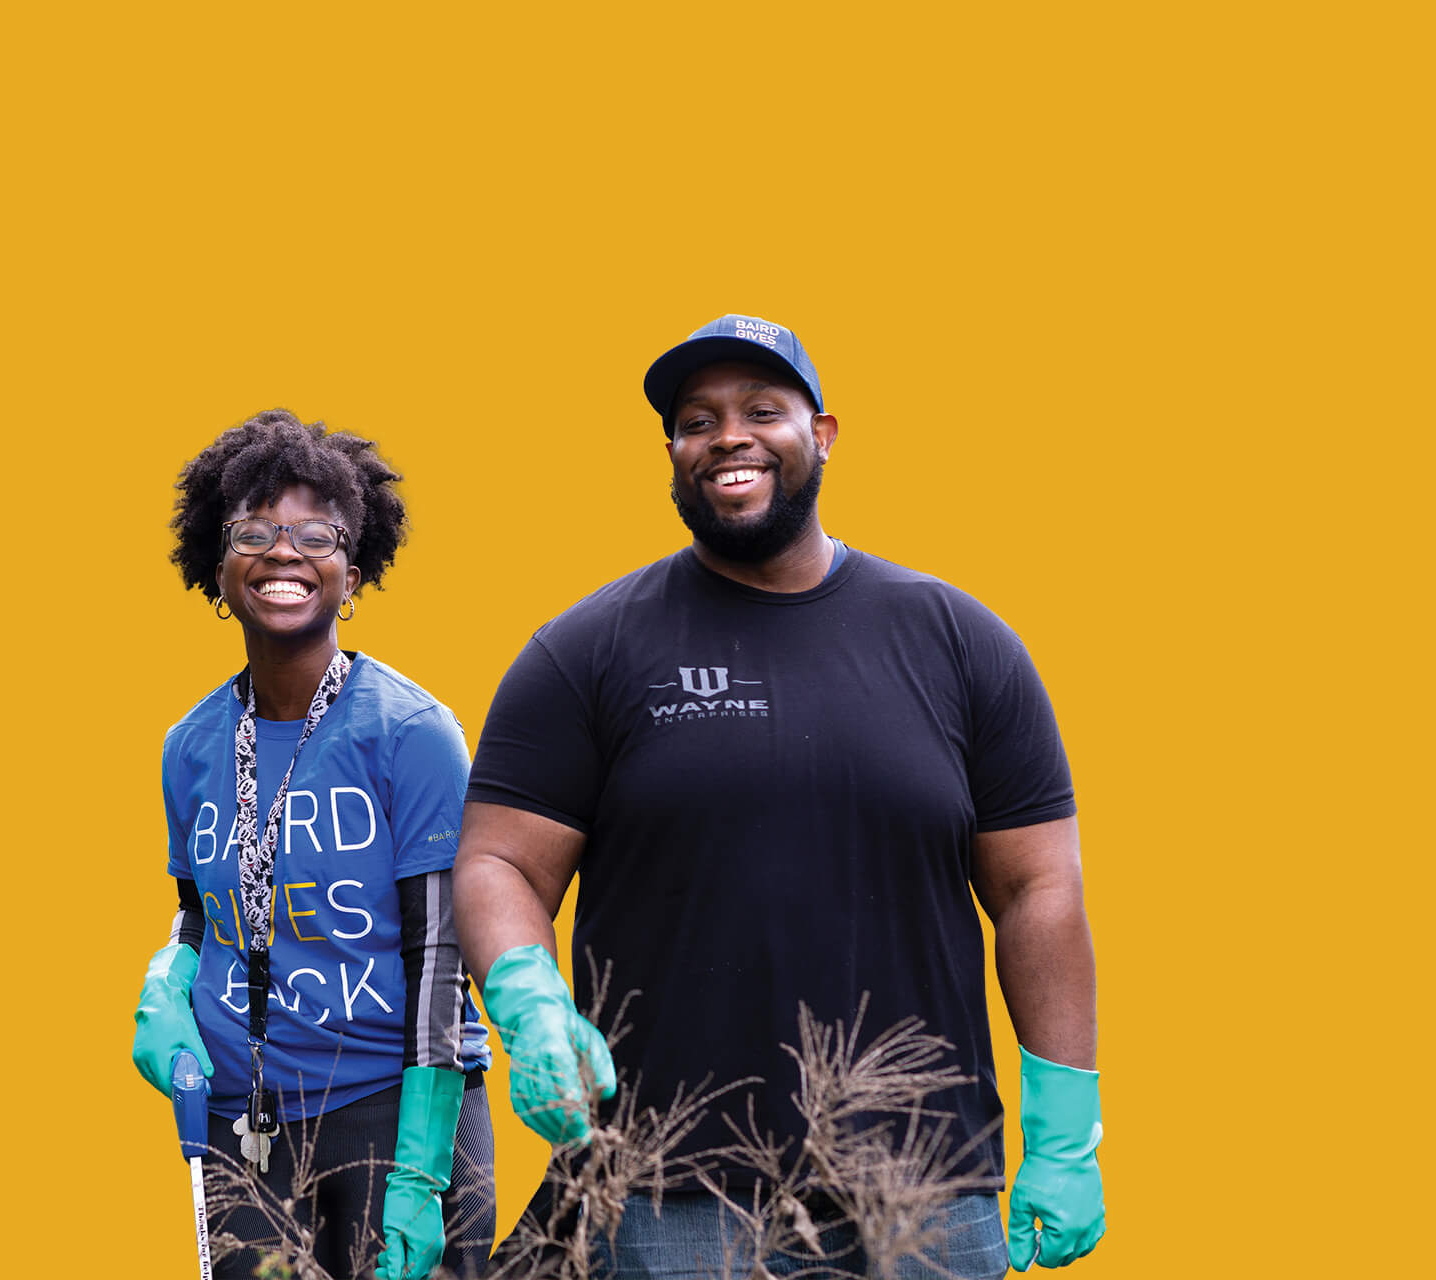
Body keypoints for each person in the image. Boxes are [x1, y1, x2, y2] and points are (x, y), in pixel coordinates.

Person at [454, 316, 1108, 1277]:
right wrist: (527, 999)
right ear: (672, 453)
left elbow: (1038, 889)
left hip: (925, 1190)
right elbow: (499, 858)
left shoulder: (959, 642)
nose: (729, 436)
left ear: (824, 433)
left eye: (764, 409)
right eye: (696, 419)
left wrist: (1067, 1129)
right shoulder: (586, 651)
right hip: (672, 1194)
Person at [131, 410, 496, 1280]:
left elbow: (443, 951)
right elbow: (200, 913)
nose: (284, 553)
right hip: (238, 1116)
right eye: (255, 531)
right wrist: (165, 983)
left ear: (353, 572)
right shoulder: (188, 746)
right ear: (217, 570)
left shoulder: (411, 732)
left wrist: (419, 1165)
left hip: (389, 1108)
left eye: (315, 535)